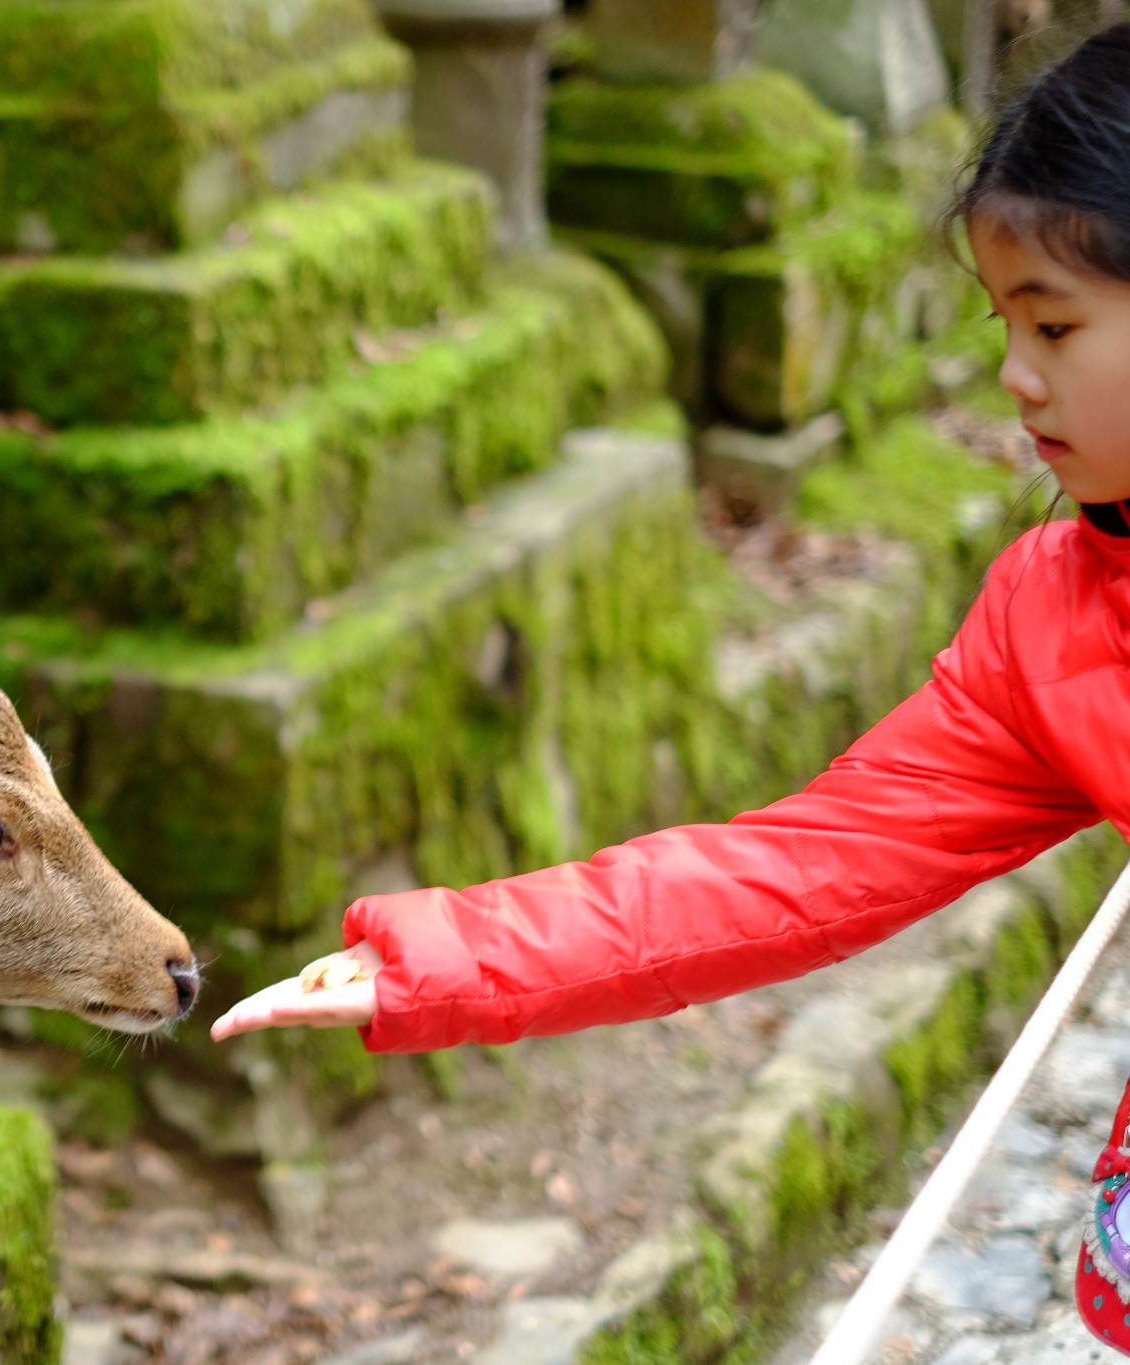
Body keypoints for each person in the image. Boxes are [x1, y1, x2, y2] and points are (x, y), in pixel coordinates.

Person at [210, 22, 1130, 1354]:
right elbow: (800, 862)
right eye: (1007, 324)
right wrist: (441, 958)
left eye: (1055, 322)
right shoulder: (1051, 622)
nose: (1015, 374)